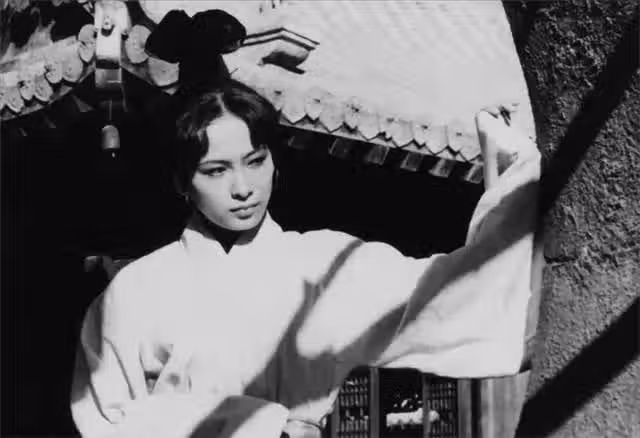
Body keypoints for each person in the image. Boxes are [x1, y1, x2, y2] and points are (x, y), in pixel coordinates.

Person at [70, 77, 540, 438]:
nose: (242, 188)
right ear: (181, 183)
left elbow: (451, 298)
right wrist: (258, 426)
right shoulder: (136, 291)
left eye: (255, 161)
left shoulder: (325, 266)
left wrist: (516, 174)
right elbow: (107, 420)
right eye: (216, 171)